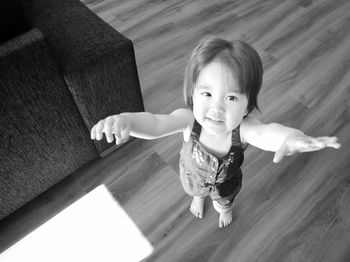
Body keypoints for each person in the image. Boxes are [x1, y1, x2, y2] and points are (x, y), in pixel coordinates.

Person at [90, 36, 341, 228]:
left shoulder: (244, 128)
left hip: (225, 184)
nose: (216, 108)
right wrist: (127, 121)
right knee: (194, 191)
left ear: (248, 107)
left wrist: (290, 137)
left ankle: (223, 209)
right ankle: (199, 197)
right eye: (207, 94)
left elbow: (267, 133)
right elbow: (156, 124)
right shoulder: (190, 120)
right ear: (193, 94)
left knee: (224, 201)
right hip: (192, 177)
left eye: (231, 97)